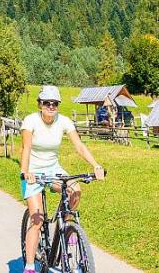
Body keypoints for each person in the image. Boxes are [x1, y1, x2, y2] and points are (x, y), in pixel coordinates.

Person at [20, 85, 105, 273]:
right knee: (37, 220)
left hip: (53, 169)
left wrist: (96, 165)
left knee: (75, 190)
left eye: (55, 103)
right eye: (46, 103)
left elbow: (79, 146)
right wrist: (25, 172)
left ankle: (66, 227)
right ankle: (30, 266)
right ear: (39, 104)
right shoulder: (30, 121)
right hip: (33, 171)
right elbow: (26, 148)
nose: (51, 106)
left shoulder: (64, 121)